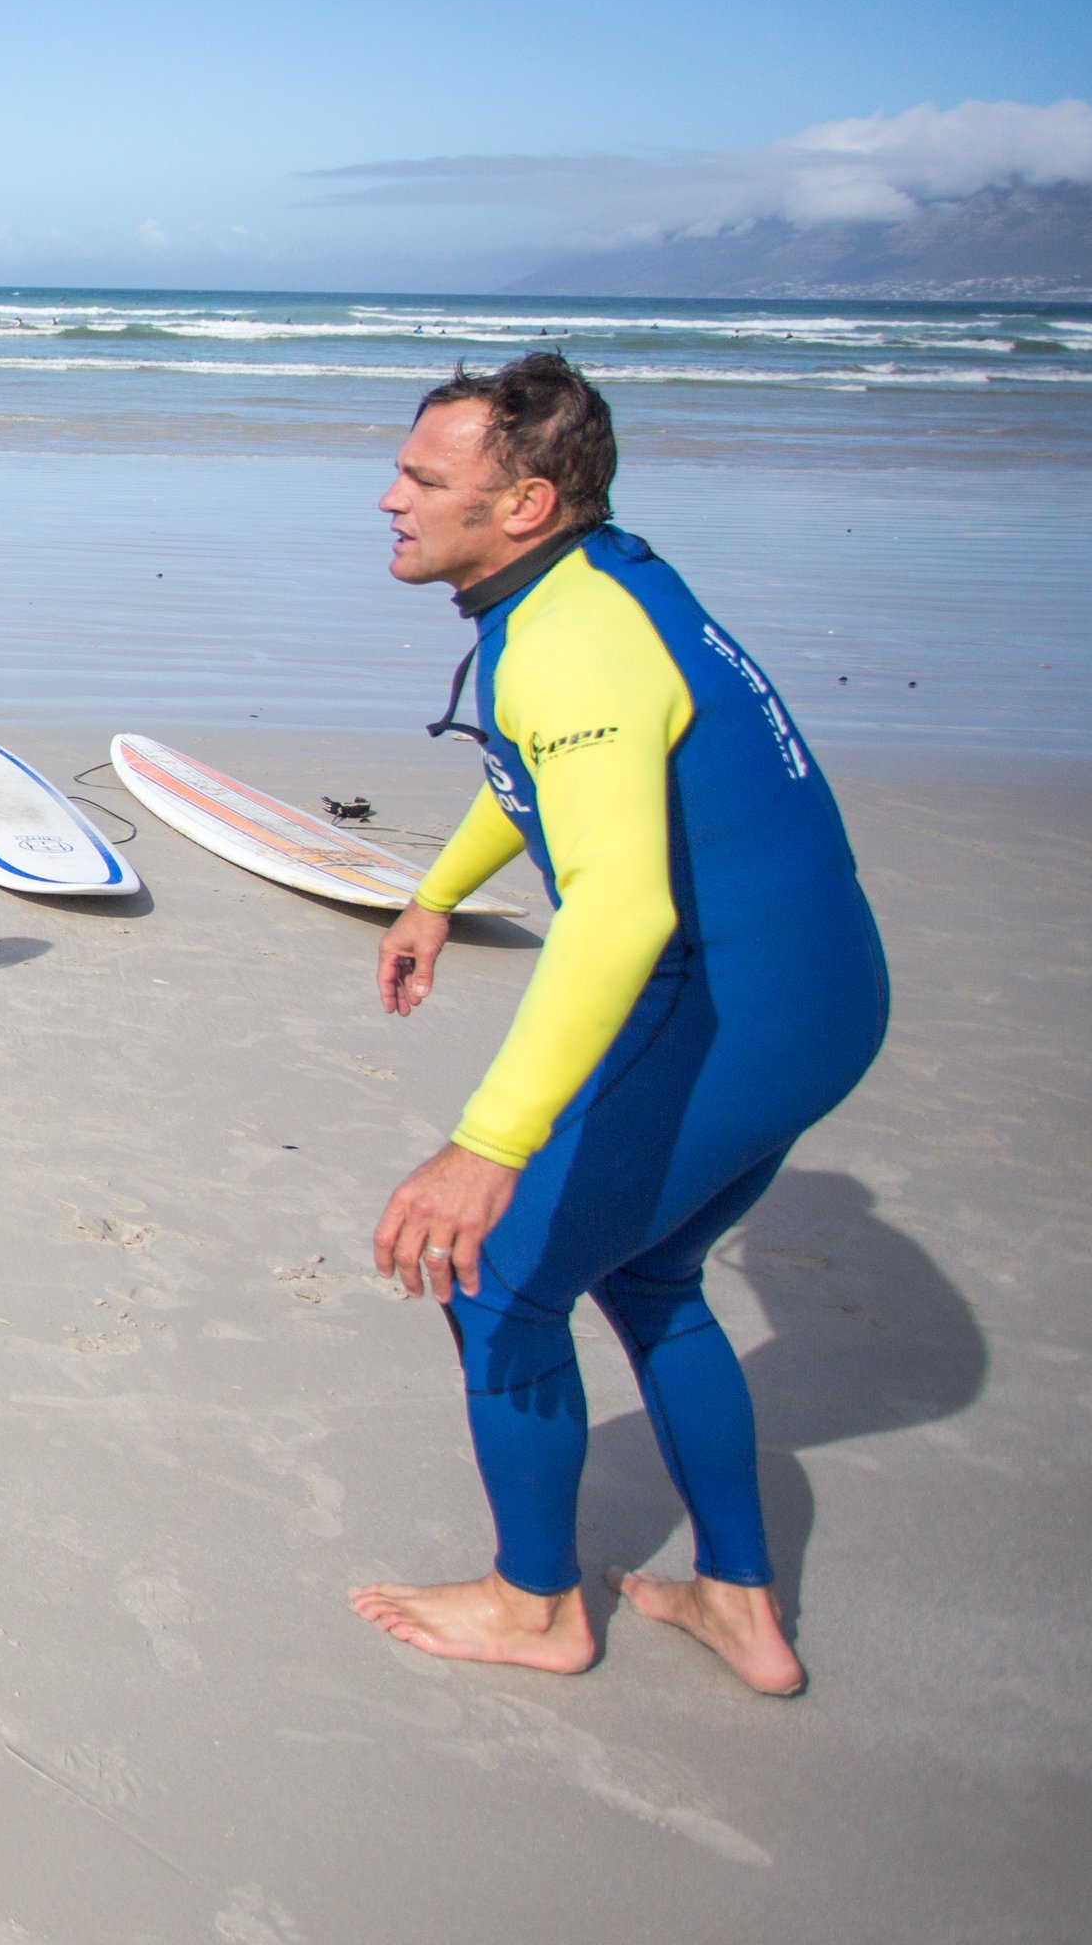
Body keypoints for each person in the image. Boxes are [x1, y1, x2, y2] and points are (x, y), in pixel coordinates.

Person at [349, 352, 889, 1696]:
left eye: (426, 478)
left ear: (525, 501)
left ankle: (537, 1605)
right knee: (648, 1275)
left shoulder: (570, 646)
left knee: (493, 1279)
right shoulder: (601, 580)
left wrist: (487, 1143)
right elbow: (541, 778)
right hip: (825, 996)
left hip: (733, 1003)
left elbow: (618, 913)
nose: (388, 498)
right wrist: (437, 891)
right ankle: (737, 1602)